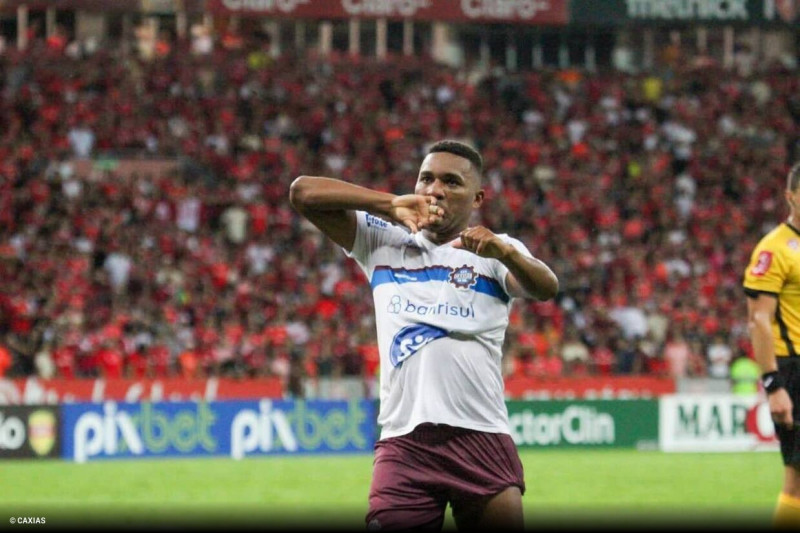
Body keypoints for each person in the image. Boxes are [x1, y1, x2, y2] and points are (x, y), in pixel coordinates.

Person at [289, 140, 558, 531]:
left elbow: (545, 287)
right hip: (405, 444)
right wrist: (386, 204)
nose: (434, 190)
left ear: (477, 197)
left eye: (451, 182)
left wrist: (506, 254)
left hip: (480, 436)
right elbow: (302, 192)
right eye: (426, 179)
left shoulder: (493, 251)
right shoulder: (382, 241)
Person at [742, 162, 800, 528]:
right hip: (794, 369)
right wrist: (774, 384)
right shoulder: (774, 249)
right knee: (797, 480)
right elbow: (759, 320)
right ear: (791, 196)